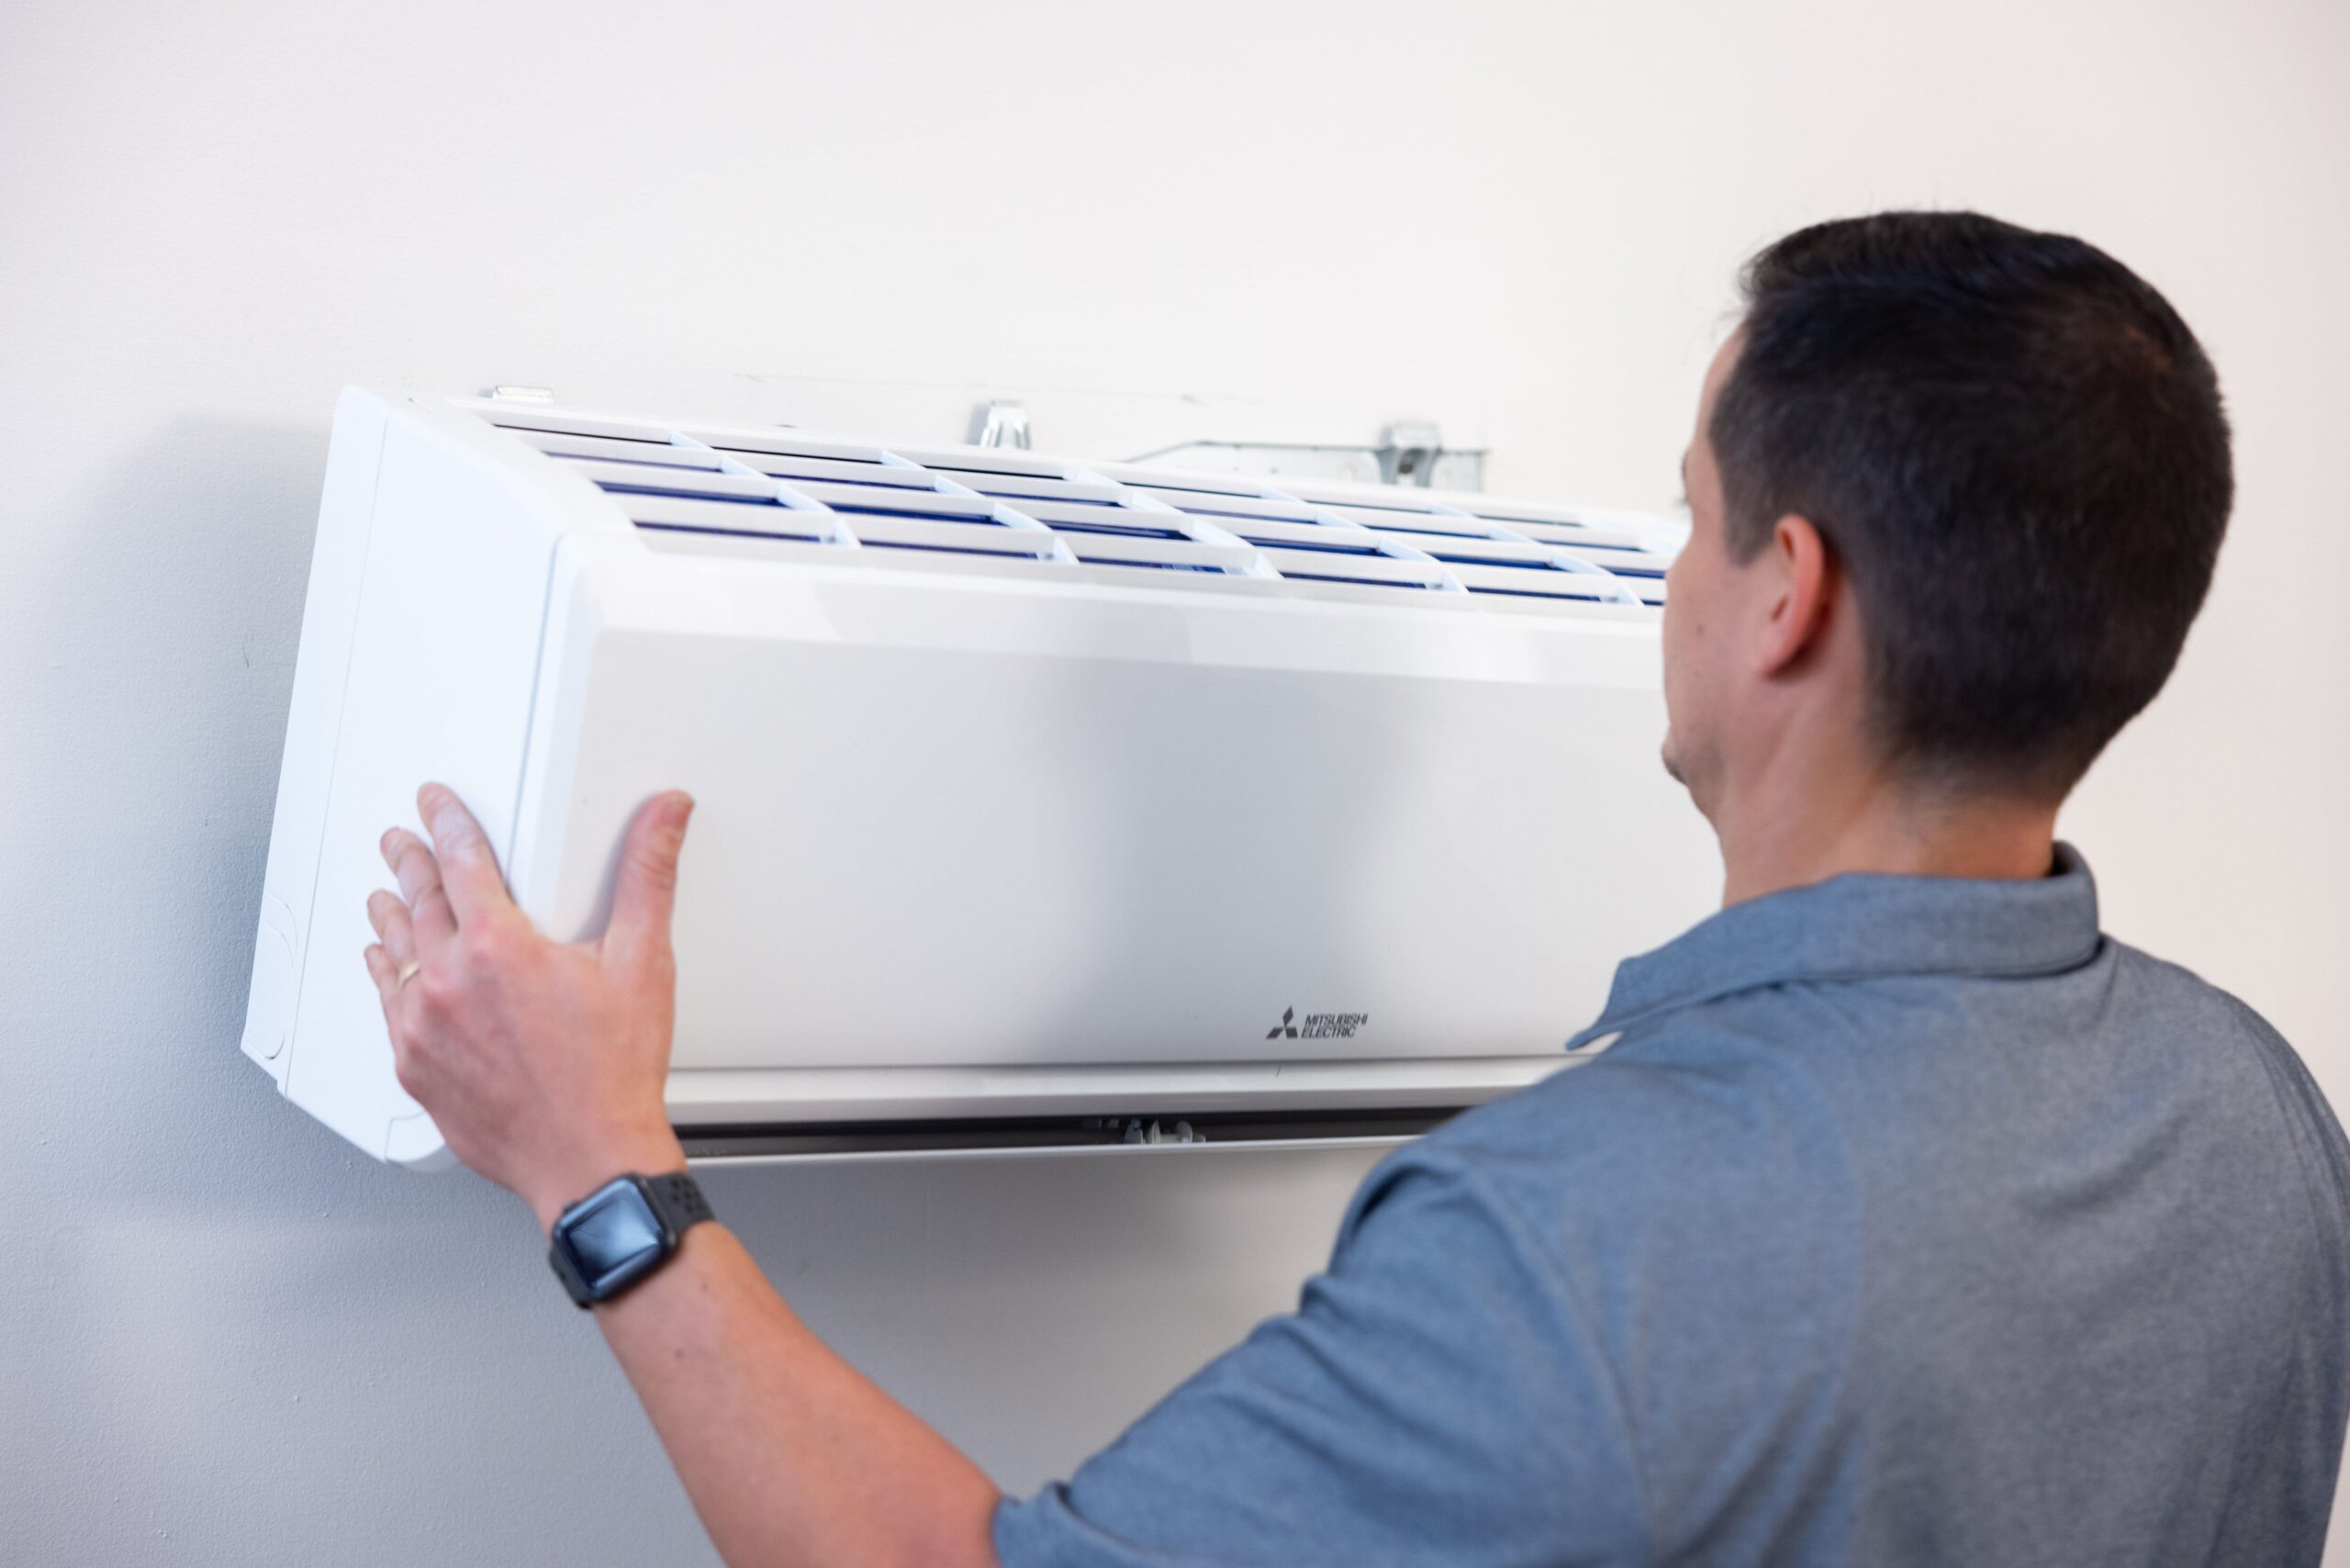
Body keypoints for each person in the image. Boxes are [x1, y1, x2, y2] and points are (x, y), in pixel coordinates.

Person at [359, 210, 2350, 1566]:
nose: (1666, 569)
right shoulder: (2255, 1112)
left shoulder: (1585, 1227)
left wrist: (593, 1161)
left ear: (1784, 593)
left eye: (1689, 512)